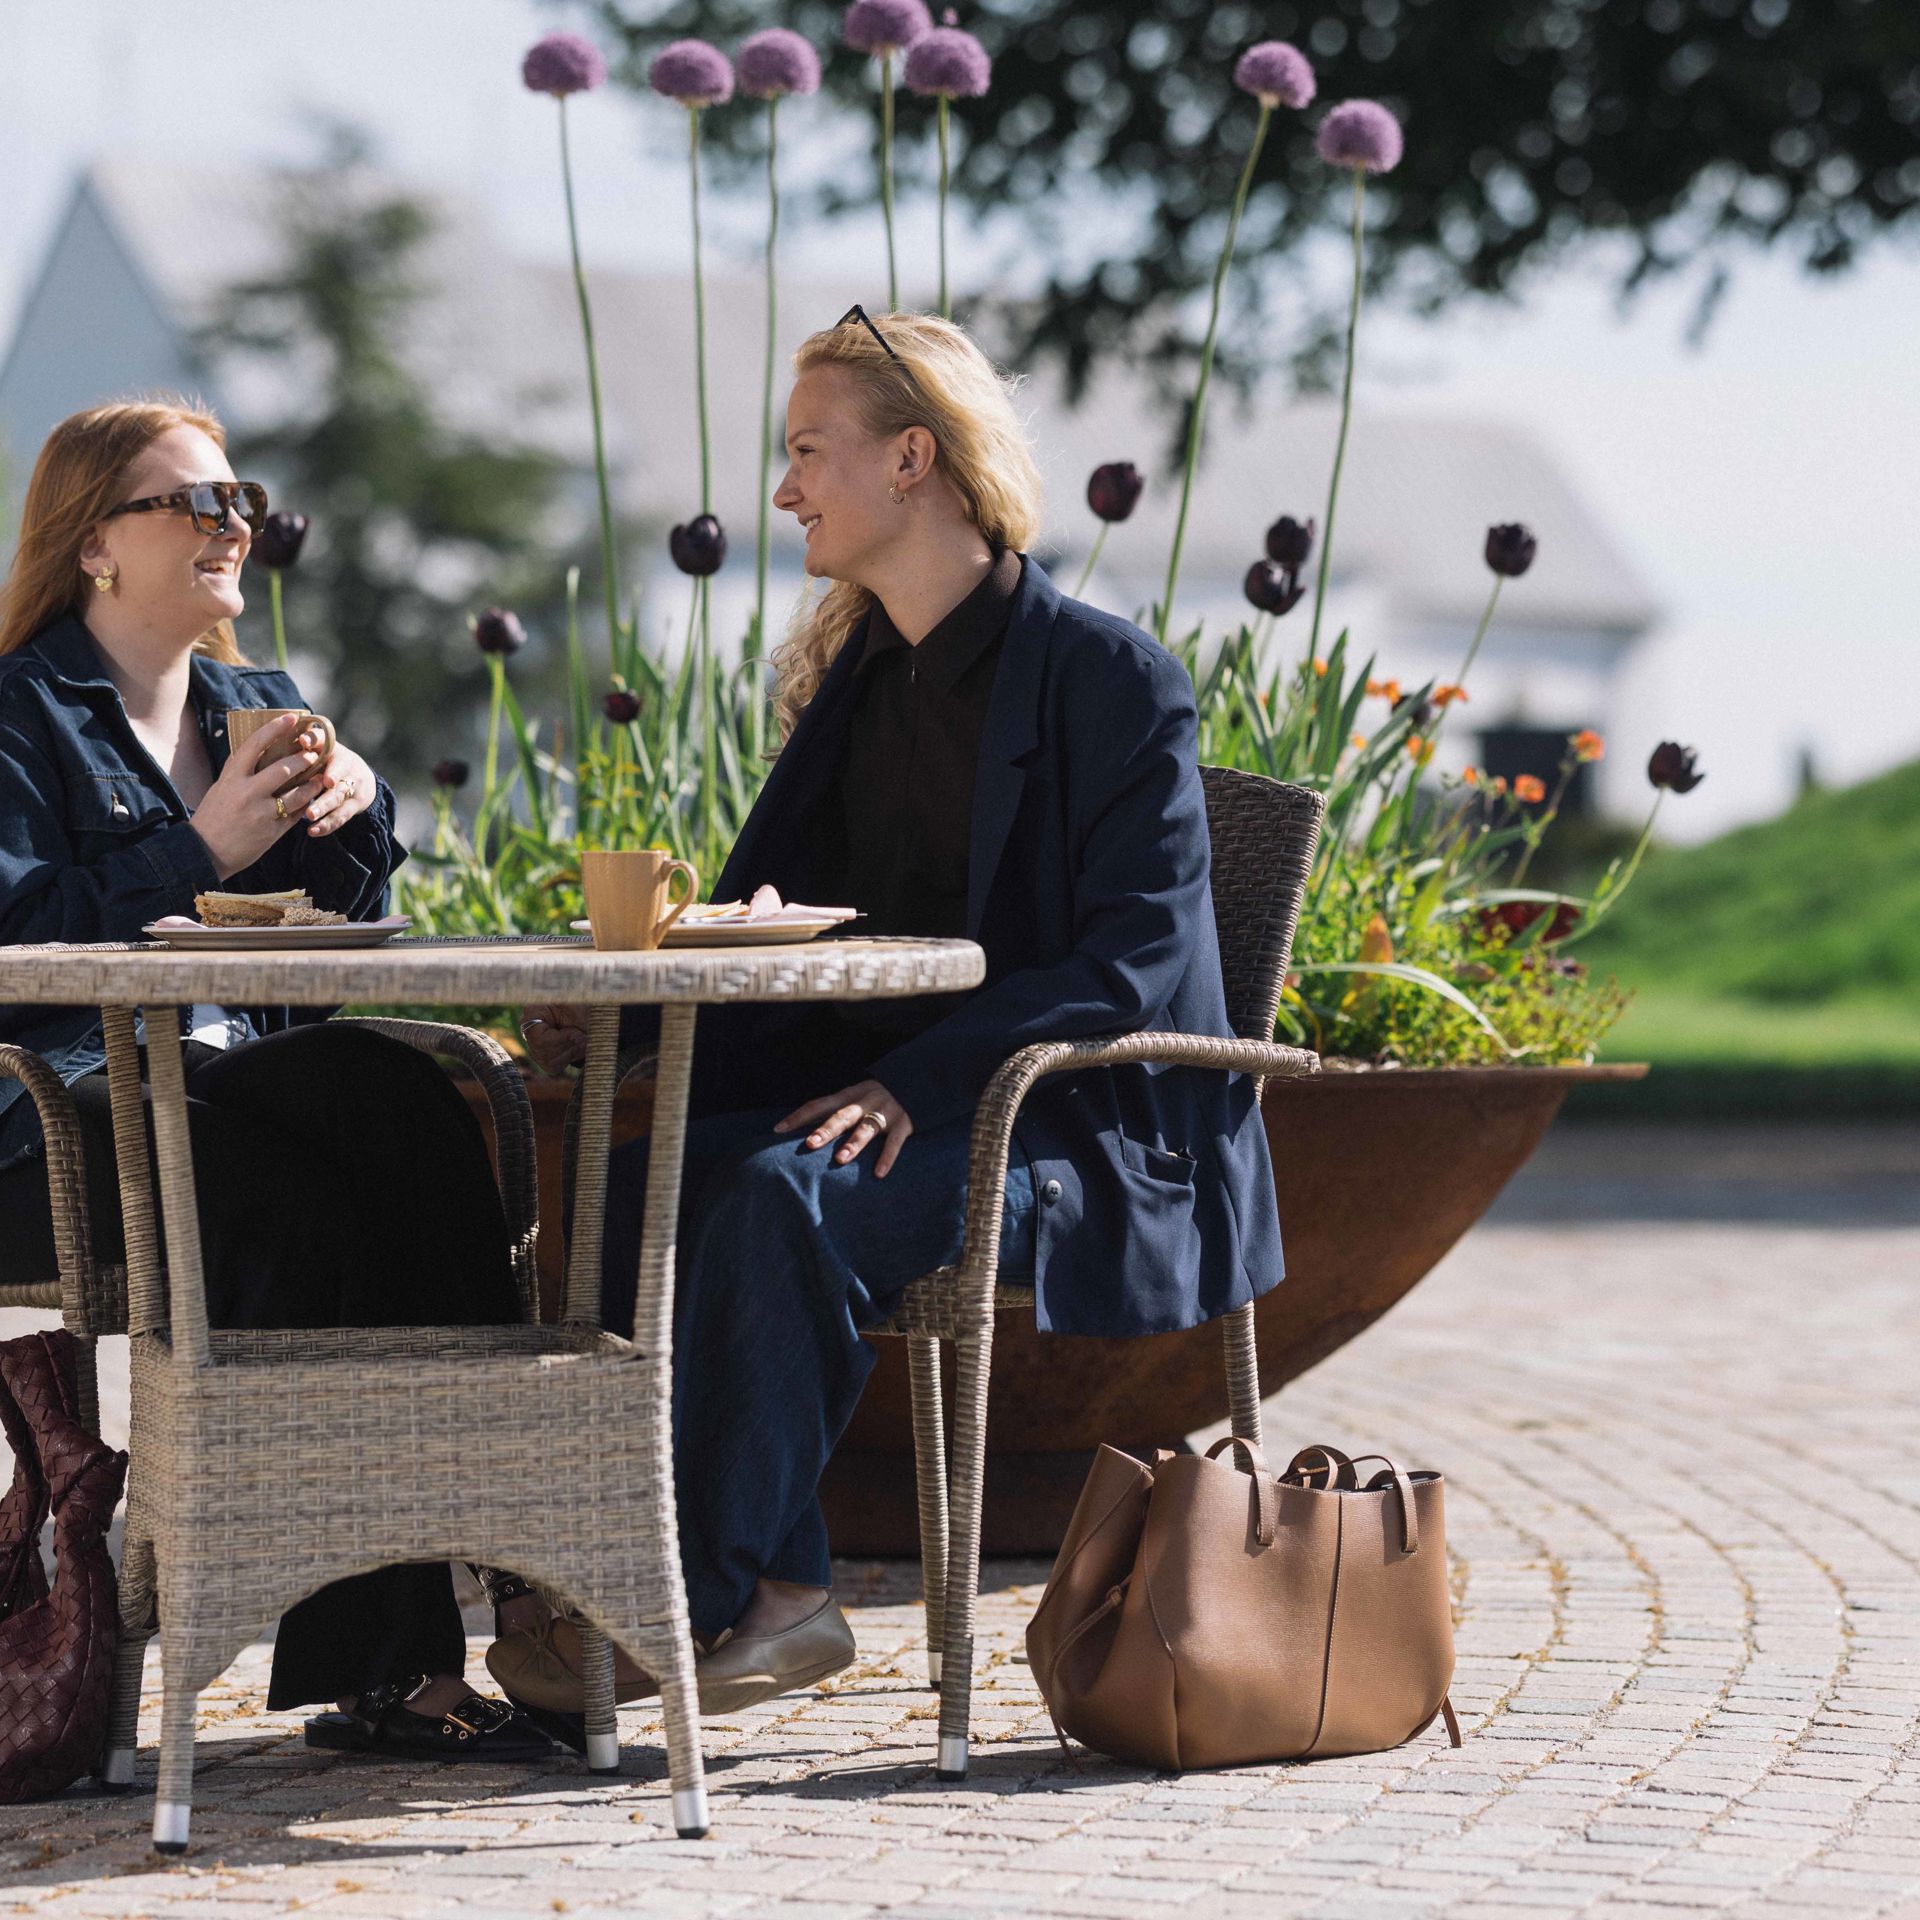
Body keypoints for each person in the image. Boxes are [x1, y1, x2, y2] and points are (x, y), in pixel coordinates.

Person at [492, 309, 1284, 1715]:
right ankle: (751, 1589)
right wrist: (634, 1013)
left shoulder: (1112, 681)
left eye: (810, 451)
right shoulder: (862, 679)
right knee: (629, 1190)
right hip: (906, 1107)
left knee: (781, 1199)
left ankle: (703, 1603)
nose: (785, 488)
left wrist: (918, 1083)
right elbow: (792, 922)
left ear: (912, 459)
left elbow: (1136, 956)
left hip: (1076, 1130)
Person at [0, 398, 551, 1762]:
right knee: (291, 1193)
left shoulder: (261, 706)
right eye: (194, 501)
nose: (232, 523)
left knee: (413, 1106)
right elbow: (13, 942)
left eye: (239, 498)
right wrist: (191, 852)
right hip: (52, 1118)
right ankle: (396, 1662)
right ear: (93, 544)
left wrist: (360, 812)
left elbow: (330, 936)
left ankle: (514, 1567)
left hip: (232, 1086)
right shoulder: (18, 712)